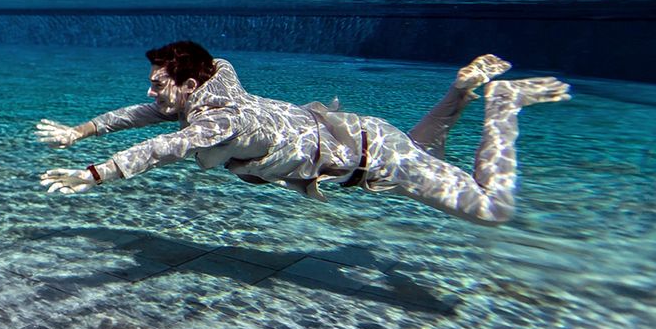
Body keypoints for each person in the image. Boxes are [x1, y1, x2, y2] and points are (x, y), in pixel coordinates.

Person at [38, 41, 569, 226]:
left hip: (372, 155)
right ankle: (459, 93)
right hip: (368, 141)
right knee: (422, 147)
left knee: (491, 208)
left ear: (191, 82)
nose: (153, 93)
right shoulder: (211, 92)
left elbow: (164, 147)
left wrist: (94, 174)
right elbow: (138, 116)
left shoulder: (221, 119)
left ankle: (503, 103)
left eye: (159, 84)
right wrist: (77, 131)